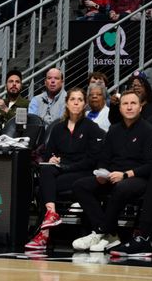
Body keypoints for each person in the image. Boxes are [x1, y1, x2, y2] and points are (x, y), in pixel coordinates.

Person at [69, 90, 152, 257]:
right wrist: (102, 173)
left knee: (121, 187)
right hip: (112, 176)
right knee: (80, 185)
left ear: (140, 107)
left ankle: (99, 231)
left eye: (133, 103)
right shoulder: (113, 130)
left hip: (137, 178)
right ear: (119, 108)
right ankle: (110, 233)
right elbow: (104, 158)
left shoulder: (150, 131)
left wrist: (126, 174)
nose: (129, 107)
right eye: (125, 104)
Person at [25, 88, 105, 250]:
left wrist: (66, 166)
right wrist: (52, 159)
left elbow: (91, 160)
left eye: (80, 100)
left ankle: (44, 234)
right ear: (66, 103)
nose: (76, 102)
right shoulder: (58, 128)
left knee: (44, 188)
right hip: (61, 169)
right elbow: (48, 154)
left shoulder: (91, 127)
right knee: (46, 170)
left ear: (84, 104)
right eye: (72, 99)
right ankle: (51, 214)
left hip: (82, 172)